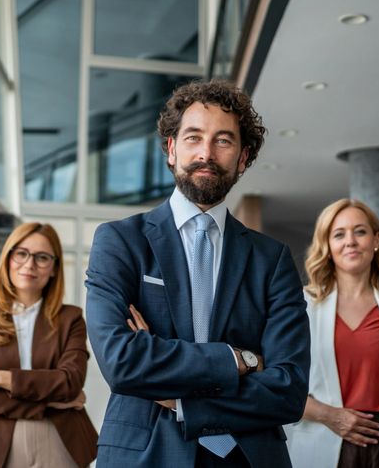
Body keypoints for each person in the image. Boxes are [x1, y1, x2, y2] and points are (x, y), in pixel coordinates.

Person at [85, 79, 310, 468]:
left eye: (223, 141)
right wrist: (240, 359)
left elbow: (289, 389)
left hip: (249, 457)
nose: (206, 153)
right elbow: (121, 361)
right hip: (147, 453)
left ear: (243, 157)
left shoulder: (272, 259)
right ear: (171, 150)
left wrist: (182, 399)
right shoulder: (120, 242)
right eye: (193, 138)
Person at [285, 199, 379, 468]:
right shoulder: (301, 306)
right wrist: (329, 415)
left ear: (376, 240)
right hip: (328, 441)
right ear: (327, 245)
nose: (351, 241)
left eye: (360, 231)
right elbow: (281, 384)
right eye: (339, 234)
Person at [0, 222, 97, 468]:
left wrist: (0, 378)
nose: (29, 264)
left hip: (60, 439)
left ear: (54, 268)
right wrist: (52, 401)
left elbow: (70, 382)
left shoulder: (71, 318)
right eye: (21, 253)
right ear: (8, 258)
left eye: (42, 257)